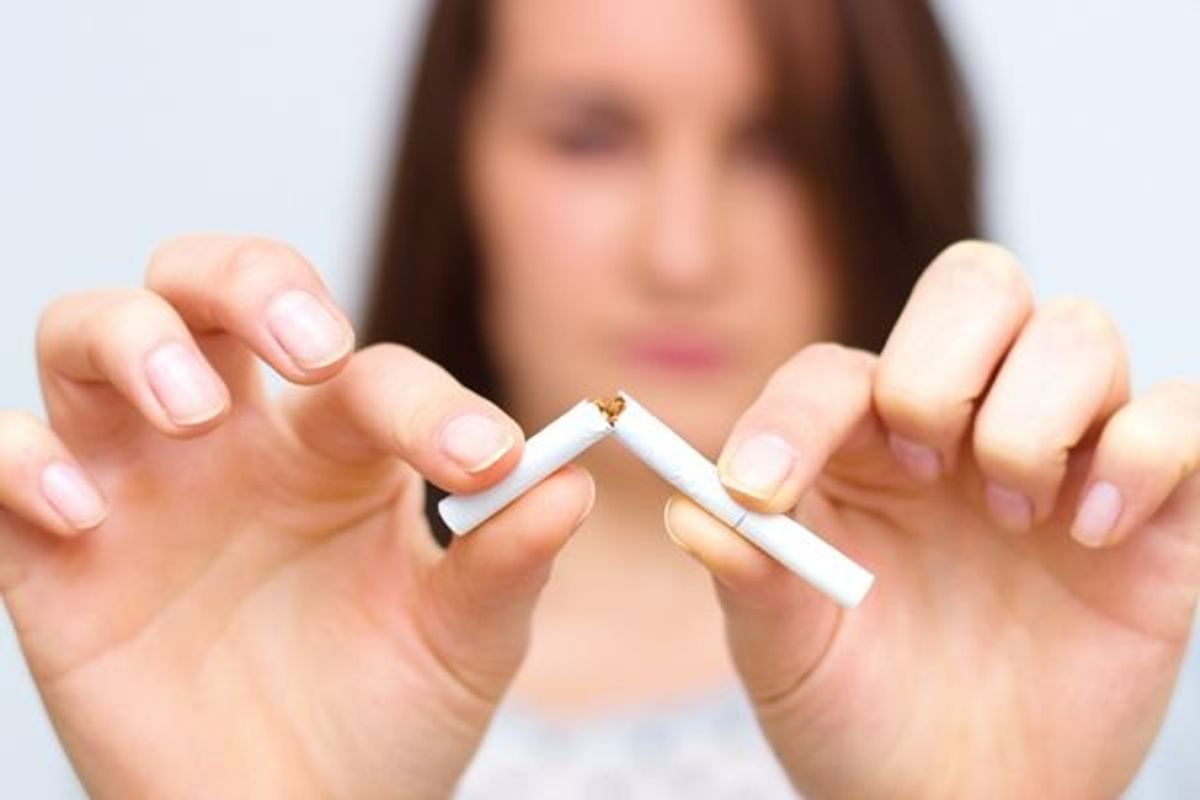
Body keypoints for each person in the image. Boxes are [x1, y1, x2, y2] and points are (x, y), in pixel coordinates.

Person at [0, 0, 1196, 796]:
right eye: (589, 137)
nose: (682, 252)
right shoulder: (239, 662)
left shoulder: (1079, 666)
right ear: (457, 161)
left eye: (775, 145)